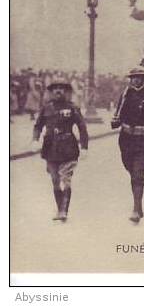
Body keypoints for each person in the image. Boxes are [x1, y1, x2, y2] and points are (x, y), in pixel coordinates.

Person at [111, 68, 144, 224]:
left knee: (138, 174)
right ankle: (138, 204)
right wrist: (115, 122)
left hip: (143, 141)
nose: (136, 80)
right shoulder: (124, 96)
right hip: (126, 140)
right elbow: (118, 117)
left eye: (139, 78)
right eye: (133, 78)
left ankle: (136, 208)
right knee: (131, 171)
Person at [33, 78, 88, 221]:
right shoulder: (46, 108)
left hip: (68, 147)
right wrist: (34, 140)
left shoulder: (72, 108)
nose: (58, 91)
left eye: (61, 88)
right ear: (51, 92)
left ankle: (64, 210)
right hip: (50, 148)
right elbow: (38, 126)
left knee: (66, 179)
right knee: (55, 180)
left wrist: (84, 147)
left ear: (66, 91)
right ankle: (59, 210)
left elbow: (82, 128)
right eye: (55, 88)